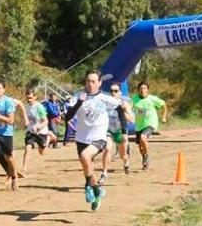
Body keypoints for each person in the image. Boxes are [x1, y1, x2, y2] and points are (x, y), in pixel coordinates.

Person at [64, 70, 122, 211]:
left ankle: (92, 189)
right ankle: (96, 191)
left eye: (93, 81)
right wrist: (79, 103)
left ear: (99, 83)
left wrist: (126, 116)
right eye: (88, 81)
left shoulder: (104, 98)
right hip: (81, 138)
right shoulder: (78, 97)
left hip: (99, 137)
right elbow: (67, 117)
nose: (90, 84)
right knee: (86, 167)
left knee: (85, 157)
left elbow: (121, 105)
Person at [100, 83, 133, 182]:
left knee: (123, 155)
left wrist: (123, 111)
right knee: (107, 148)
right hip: (108, 130)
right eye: (111, 91)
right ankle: (104, 172)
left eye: (116, 91)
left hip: (120, 131)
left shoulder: (124, 104)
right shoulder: (106, 103)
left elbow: (132, 119)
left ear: (120, 92)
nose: (113, 93)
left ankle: (126, 162)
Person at [131, 82, 167, 170]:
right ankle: (144, 157)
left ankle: (146, 156)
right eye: (141, 88)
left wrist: (164, 117)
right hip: (139, 125)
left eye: (144, 88)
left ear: (147, 90)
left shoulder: (152, 99)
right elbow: (129, 106)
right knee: (140, 146)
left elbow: (163, 105)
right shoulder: (134, 99)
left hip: (150, 123)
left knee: (143, 137)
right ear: (138, 90)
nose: (143, 90)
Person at [20, 89, 49, 177]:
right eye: (27, 98)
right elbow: (26, 119)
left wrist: (39, 127)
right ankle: (24, 170)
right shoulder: (26, 107)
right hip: (31, 132)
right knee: (28, 148)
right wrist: (25, 124)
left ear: (35, 97)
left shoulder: (39, 107)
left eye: (31, 98)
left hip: (41, 132)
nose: (29, 99)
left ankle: (48, 139)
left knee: (42, 152)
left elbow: (46, 121)